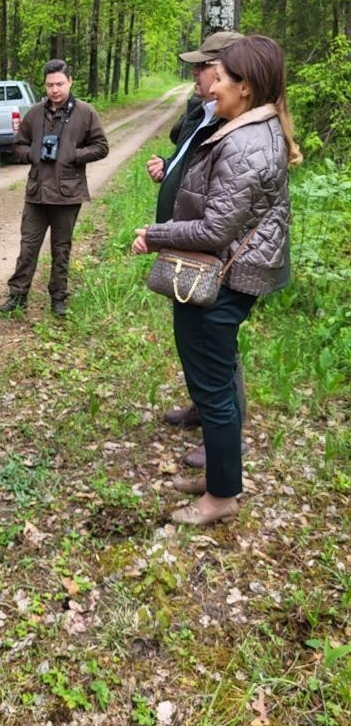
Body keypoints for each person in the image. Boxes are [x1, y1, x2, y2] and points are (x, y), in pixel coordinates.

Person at [132, 35, 300, 526]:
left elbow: (214, 229)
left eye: (220, 79)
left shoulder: (246, 141)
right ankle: (220, 476)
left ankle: (222, 497)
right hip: (227, 274)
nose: (211, 87)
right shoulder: (251, 129)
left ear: (245, 88)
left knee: (214, 391)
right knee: (215, 383)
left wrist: (156, 233)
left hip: (222, 280)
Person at [145, 31, 246, 469]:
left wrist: (160, 234)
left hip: (213, 253)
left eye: (204, 66)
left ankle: (226, 433)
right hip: (188, 247)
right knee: (195, 336)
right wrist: (167, 169)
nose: (196, 73)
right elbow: (189, 163)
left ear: (230, 71)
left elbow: (226, 205)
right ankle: (204, 410)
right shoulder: (204, 113)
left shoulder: (235, 123)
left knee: (217, 342)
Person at [0, 60, 109, 318]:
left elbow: (101, 147)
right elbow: (18, 145)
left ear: (70, 82)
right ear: (44, 86)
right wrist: (32, 154)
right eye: (49, 85)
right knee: (28, 247)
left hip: (68, 194)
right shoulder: (34, 113)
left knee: (61, 248)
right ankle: (17, 296)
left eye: (59, 84)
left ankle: (58, 298)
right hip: (36, 194)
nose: (55, 90)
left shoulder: (85, 112)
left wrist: (72, 154)